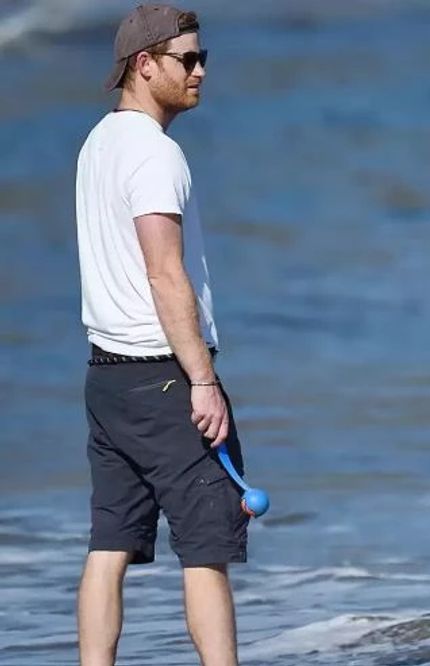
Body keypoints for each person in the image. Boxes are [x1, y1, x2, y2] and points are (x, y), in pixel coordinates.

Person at [74, 5, 248, 665]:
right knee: (207, 543)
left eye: (203, 57)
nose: (201, 71)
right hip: (164, 376)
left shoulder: (98, 143)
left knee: (109, 542)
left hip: (107, 378)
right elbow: (165, 273)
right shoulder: (152, 153)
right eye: (188, 59)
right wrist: (203, 380)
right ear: (144, 65)